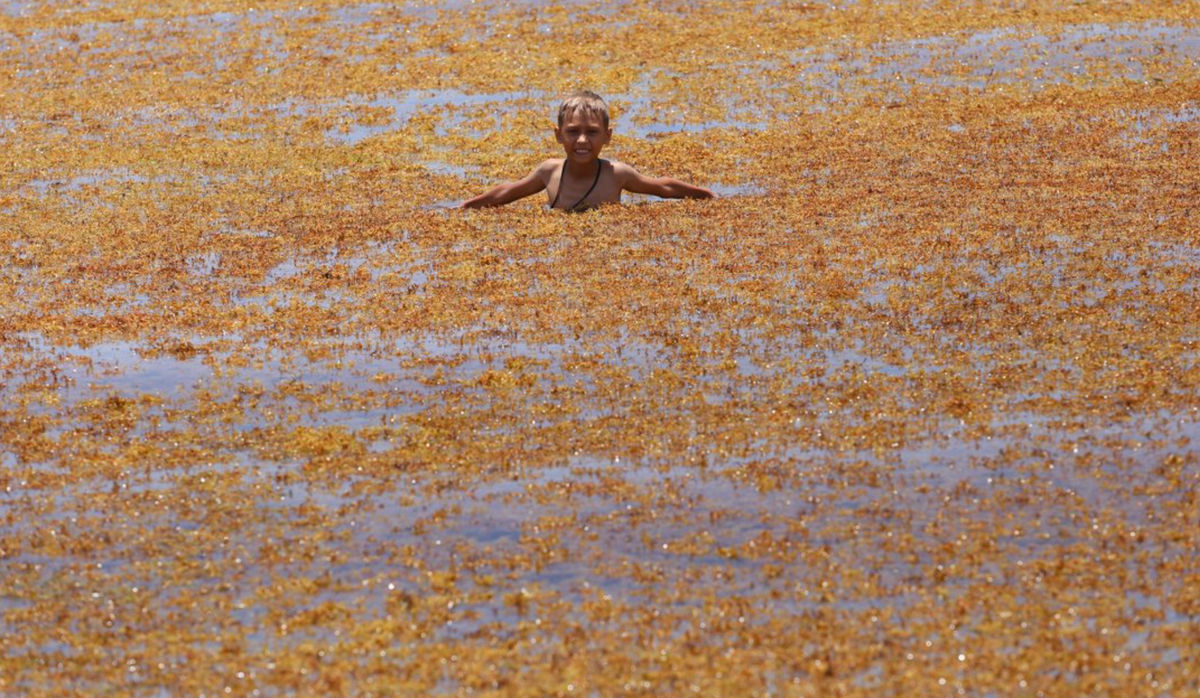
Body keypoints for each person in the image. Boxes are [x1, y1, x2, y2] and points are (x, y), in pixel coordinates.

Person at [461, 90, 714, 211]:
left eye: (592, 132)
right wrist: (464, 208)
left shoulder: (617, 174)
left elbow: (663, 188)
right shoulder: (548, 172)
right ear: (559, 135)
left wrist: (710, 198)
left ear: (607, 136)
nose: (582, 140)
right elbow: (506, 192)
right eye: (573, 131)